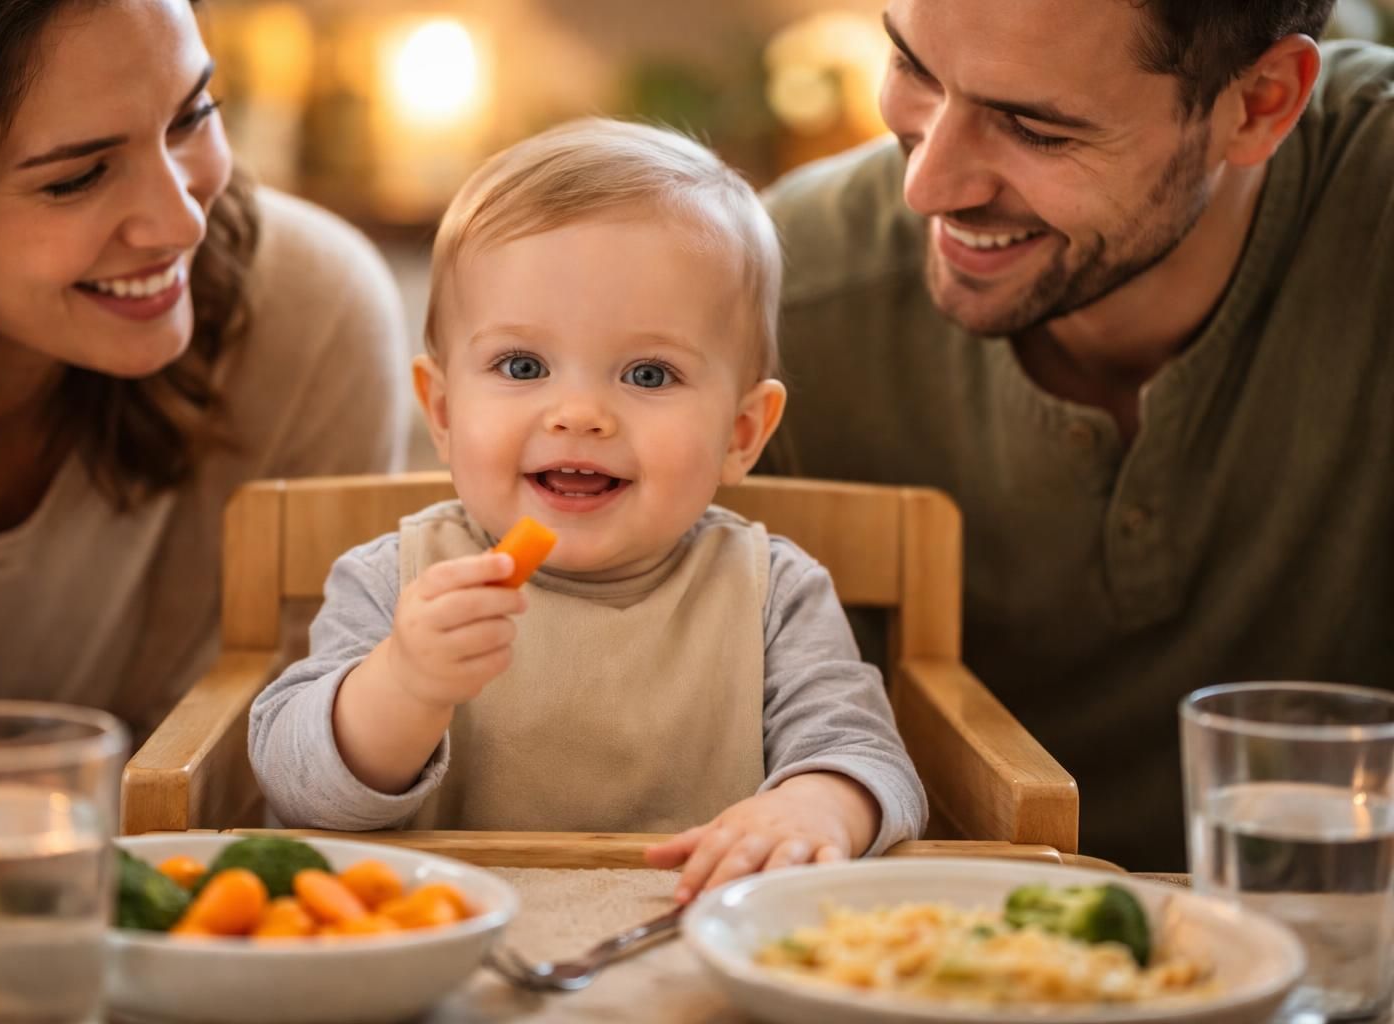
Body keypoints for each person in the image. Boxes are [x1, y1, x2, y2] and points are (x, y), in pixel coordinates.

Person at [760, 0, 1394, 869]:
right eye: (913, 67)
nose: (927, 187)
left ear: (1261, 103)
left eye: (1034, 129)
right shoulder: (778, 303)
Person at [249, 119, 926, 901]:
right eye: (522, 365)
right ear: (441, 409)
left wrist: (819, 805)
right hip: (443, 939)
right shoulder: (394, 582)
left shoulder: (772, 592)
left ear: (741, 435)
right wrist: (404, 684)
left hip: (690, 942)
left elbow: (871, 761)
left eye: (647, 374)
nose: (579, 414)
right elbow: (294, 787)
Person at [0, 0, 408, 735]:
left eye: (193, 115)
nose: (184, 223)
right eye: (78, 176)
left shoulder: (311, 314)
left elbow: (277, 778)